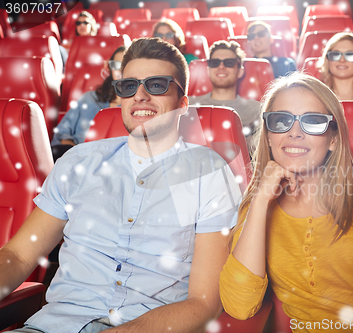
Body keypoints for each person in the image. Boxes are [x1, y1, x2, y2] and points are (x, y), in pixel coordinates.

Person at [0, 37, 241, 333]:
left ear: (182, 104)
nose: (140, 95)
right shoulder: (78, 163)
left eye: (157, 85)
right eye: (129, 86)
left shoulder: (209, 172)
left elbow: (205, 302)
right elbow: (19, 255)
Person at [219, 72, 353, 332]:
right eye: (281, 121)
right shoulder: (258, 205)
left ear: (333, 138)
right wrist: (260, 199)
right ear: (268, 136)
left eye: (312, 121)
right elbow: (239, 306)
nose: (295, 133)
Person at [51, 45, 126, 161]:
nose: (121, 70)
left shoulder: (136, 108)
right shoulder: (89, 98)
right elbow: (62, 133)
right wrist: (77, 156)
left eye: (126, 65)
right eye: (116, 65)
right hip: (74, 158)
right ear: (110, 68)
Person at [188, 40, 261, 151]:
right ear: (208, 70)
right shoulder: (188, 105)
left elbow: (260, 150)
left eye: (229, 63)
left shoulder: (256, 109)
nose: (221, 66)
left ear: (240, 71)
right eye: (214, 63)